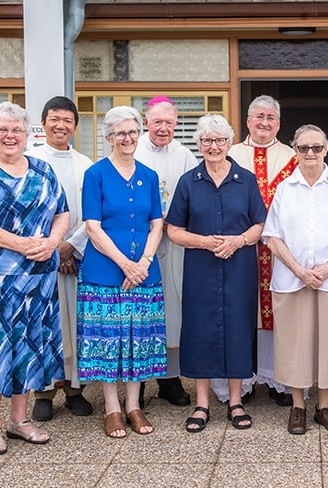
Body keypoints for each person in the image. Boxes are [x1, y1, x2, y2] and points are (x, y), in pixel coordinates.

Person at [0, 101, 68, 454]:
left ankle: (19, 421)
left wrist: (51, 242)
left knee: (29, 347)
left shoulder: (43, 171)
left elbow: (62, 213)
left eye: (16, 130)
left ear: (27, 134)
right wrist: (19, 243)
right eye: (3, 129)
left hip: (36, 280)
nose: (10, 136)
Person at [166, 114, 266, 432]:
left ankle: (235, 401)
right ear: (199, 144)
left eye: (220, 140)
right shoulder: (188, 182)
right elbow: (174, 230)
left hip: (239, 267)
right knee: (200, 330)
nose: (213, 146)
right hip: (200, 268)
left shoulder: (246, 180)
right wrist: (205, 242)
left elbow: (260, 224)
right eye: (207, 140)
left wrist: (239, 241)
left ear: (229, 142)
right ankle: (202, 403)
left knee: (238, 328)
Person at [263, 124, 328, 435]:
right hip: (293, 281)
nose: (310, 153)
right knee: (295, 344)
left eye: (316, 148)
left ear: (327, 150)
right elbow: (272, 237)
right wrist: (299, 269)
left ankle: (324, 406)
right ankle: (297, 406)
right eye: (304, 147)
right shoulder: (284, 189)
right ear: (295, 150)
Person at [77, 106, 167, 438]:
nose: (127, 138)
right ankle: (112, 409)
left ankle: (134, 406)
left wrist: (142, 263)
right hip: (105, 271)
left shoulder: (148, 175)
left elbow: (157, 223)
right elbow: (93, 226)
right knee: (107, 343)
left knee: (137, 341)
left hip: (144, 273)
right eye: (120, 133)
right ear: (108, 137)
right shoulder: (96, 174)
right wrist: (125, 264)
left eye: (132, 132)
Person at [223, 95, 298, 407]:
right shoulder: (230, 154)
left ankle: (280, 379)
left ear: (278, 124)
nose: (265, 122)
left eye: (271, 117)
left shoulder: (294, 156)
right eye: (259, 117)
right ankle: (245, 378)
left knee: (281, 314)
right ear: (248, 121)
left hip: (280, 249)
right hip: (240, 247)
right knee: (241, 312)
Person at [26, 96, 94, 421]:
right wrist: (54, 247)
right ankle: (43, 392)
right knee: (44, 324)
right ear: (43, 123)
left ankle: (75, 389)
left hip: (76, 257)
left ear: (75, 127)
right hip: (40, 257)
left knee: (74, 324)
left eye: (67, 121)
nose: (61, 125)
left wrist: (72, 246)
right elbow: (27, 213)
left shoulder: (86, 165)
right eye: (54, 119)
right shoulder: (30, 162)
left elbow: (95, 213)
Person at [134, 95, 198, 407]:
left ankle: (169, 379)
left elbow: (195, 196)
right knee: (141, 314)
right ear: (145, 122)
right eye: (157, 122)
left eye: (169, 123)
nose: (163, 128)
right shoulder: (132, 150)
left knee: (172, 313)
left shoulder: (185, 155)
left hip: (174, 245)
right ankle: (138, 383)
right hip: (139, 246)